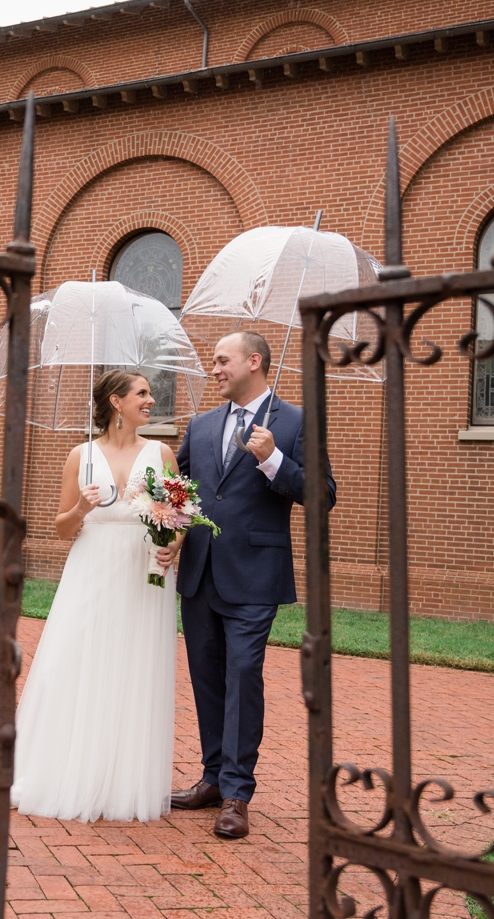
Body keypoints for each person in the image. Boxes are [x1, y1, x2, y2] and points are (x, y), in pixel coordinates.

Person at [161, 331, 335, 839]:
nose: (213, 369)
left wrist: (274, 459)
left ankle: (237, 792)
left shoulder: (296, 422)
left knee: (242, 676)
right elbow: (183, 490)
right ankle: (212, 778)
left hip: (255, 576)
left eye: (221, 360)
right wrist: (168, 530)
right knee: (207, 678)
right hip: (199, 573)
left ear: (253, 361)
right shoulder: (201, 424)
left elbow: (323, 494)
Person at [10, 370, 180, 823]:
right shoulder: (79, 456)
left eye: (149, 393)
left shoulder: (161, 453)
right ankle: (65, 768)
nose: (150, 399)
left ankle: (121, 781)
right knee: (76, 659)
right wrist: (82, 507)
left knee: (134, 666)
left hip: (144, 574)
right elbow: (64, 529)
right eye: (142, 393)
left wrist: (171, 546)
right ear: (116, 401)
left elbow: (180, 517)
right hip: (91, 569)